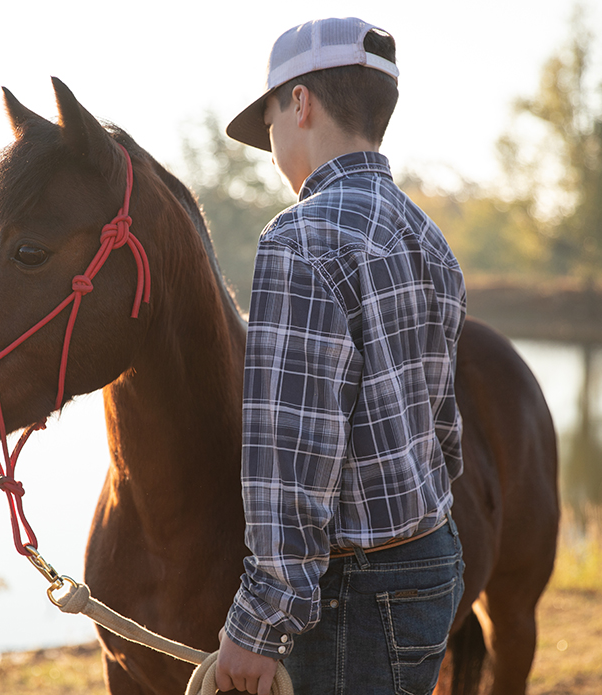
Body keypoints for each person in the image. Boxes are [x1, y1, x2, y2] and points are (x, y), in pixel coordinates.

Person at [214, 17, 467, 695]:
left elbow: (293, 458)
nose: (270, 146)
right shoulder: (427, 235)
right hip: (433, 559)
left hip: (357, 591)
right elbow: (444, 431)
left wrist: (260, 624)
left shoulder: (299, 239)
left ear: (299, 103)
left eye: (267, 121)